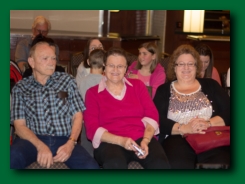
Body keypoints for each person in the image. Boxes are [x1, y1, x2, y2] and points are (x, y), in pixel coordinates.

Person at [10, 39, 100, 169]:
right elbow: (19, 126)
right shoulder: (21, 87)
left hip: (64, 139)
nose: (51, 63)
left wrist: (71, 143)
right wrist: (40, 146)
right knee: (11, 159)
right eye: (45, 58)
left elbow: (78, 116)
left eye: (53, 58)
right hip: (30, 141)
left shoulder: (67, 81)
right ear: (31, 62)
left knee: (91, 167)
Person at [83, 47, 170, 169]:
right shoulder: (92, 93)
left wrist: (146, 140)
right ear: (104, 66)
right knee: (115, 164)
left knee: (160, 164)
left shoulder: (138, 86)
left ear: (126, 69)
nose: (115, 70)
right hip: (110, 142)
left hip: (141, 137)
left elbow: (152, 115)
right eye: (111, 65)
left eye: (120, 66)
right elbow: (92, 129)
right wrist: (121, 141)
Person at [153, 44, 230, 169]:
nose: (186, 68)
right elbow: (156, 118)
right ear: (174, 67)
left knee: (220, 163)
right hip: (177, 137)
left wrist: (208, 123)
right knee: (179, 164)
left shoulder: (211, 85)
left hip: (210, 135)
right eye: (181, 64)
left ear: (196, 66)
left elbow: (230, 111)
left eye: (191, 64)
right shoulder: (164, 90)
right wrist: (184, 128)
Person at [78, 49, 105, 157]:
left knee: (87, 152)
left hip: (86, 122)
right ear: (104, 63)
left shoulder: (82, 81)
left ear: (88, 62)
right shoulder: (106, 81)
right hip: (102, 121)